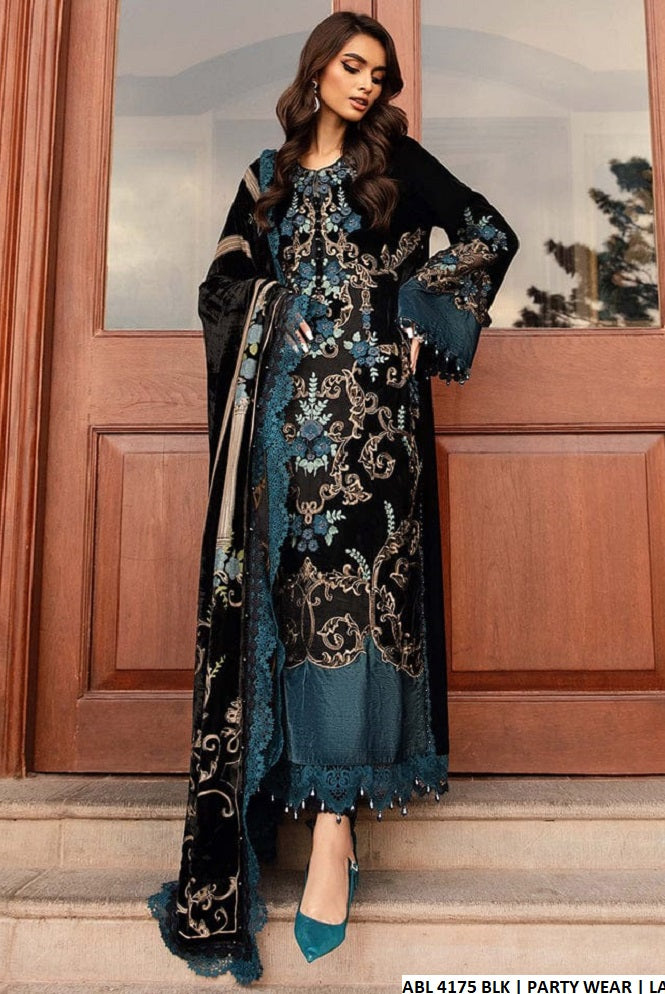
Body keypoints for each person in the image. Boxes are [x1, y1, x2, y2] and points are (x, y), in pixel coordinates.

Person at [149, 10, 519, 986]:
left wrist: (414, 312)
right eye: (352, 65)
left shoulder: (395, 163)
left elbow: (490, 232)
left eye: (378, 73)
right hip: (278, 435)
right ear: (316, 69)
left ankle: (331, 832)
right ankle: (295, 806)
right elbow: (221, 287)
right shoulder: (263, 180)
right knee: (285, 615)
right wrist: (272, 311)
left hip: (371, 433)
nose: (366, 84)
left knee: (351, 610)